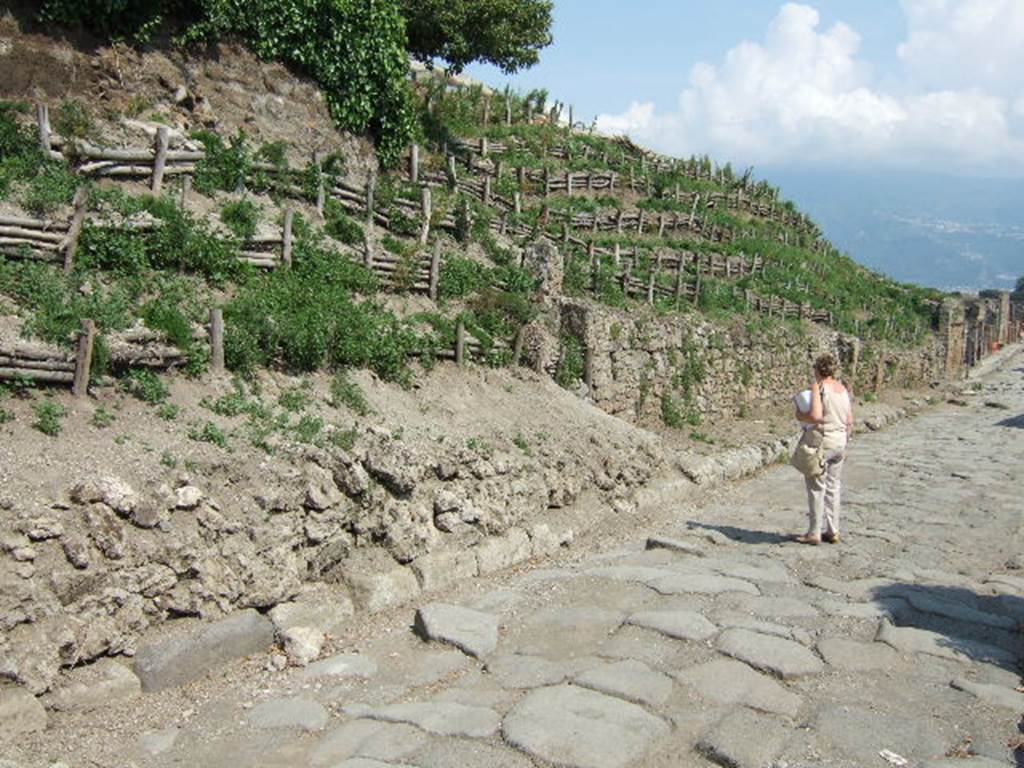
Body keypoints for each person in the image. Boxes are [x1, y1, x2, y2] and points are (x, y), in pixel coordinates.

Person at [793, 353, 853, 545]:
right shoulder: (843, 389)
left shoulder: (819, 388)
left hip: (822, 442)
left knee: (816, 486)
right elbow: (850, 420)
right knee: (833, 487)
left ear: (817, 369)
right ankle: (833, 529)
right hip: (840, 441)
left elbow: (816, 416)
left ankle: (814, 532)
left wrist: (800, 415)